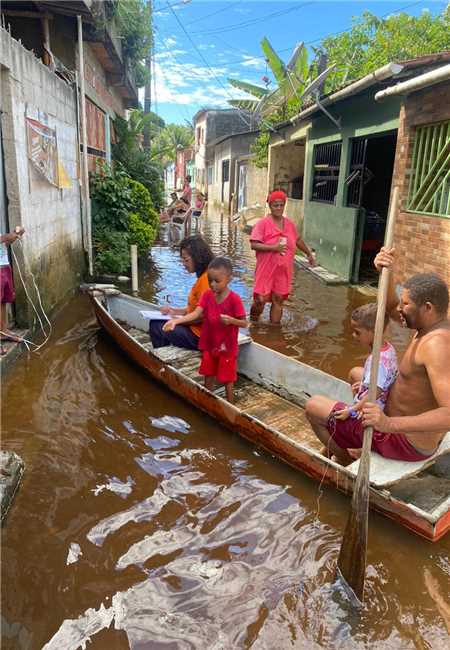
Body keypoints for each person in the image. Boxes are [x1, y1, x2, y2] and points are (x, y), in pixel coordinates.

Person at [305, 248, 450, 465]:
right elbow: (389, 307)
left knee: (313, 406)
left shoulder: (436, 344)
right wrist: (386, 270)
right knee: (357, 373)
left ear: (427, 308)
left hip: (403, 440)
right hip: (394, 419)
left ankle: (345, 460)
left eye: (406, 304)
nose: (400, 309)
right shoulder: (428, 326)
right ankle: (352, 440)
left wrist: (388, 423)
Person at [313, 302, 398, 458]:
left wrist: (351, 410)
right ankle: (333, 446)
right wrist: (363, 386)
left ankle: (344, 456)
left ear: (373, 332)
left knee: (313, 407)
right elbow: (379, 384)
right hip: (376, 402)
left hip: (367, 416)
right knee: (354, 373)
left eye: (357, 332)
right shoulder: (388, 349)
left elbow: (374, 394)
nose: (353, 336)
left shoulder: (378, 362)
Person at [163, 257, 248, 402]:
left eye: (217, 281)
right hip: (210, 344)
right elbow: (196, 313)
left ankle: (231, 405)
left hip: (227, 347)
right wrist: (176, 321)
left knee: (227, 378)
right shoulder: (207, 295)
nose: (213, 284)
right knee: (208, 372)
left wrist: (232, 320)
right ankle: (207, 400)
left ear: (228, 279)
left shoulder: (235, 300)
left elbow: (245, 323)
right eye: (210, 281)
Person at [249, 190, 315, 324]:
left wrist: (308, 254)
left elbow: (298, 240)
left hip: (283, 270)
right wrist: (273, 248)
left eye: (281, 205)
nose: (278, 208)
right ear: (270, 206)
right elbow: (254, 244)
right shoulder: (262, 224)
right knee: (260, 299)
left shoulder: (290, 225)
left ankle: (274, 332)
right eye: (275, 205)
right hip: (266, 269)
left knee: (278, 299)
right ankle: (253, 322)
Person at [149, 235, 213, 350]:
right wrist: (174, 311)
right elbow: (196, 308)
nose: (183, 264)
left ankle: (160, 361)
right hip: (199, 331)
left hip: (200, 336)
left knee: (156, 326)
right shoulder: (206, 275)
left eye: (186, 260)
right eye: (182, 260)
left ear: (198, 258)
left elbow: (201, 316)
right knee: (161, 322)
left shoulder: (206, 280)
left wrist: (177, 321)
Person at [1, 226, 25, 355]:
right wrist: (7, 236)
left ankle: (3, 332)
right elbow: (3, 238)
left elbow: (4, 242)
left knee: (3, 301)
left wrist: (15, 235)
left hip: (3, 264)